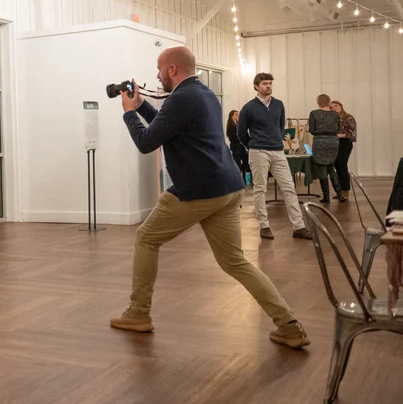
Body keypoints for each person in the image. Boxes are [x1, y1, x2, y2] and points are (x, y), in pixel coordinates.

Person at [112, 47, 309, 349]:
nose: (156, 75)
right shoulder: (203, 94)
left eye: (159, 69)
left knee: (146, 239)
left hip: (198, 190)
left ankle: (139, 313)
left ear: (173, 70)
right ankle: (289, 325)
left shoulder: (181, 98)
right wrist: (140, 105)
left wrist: (128, 113)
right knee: (235, 261)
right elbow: (170, 124)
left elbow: (147, 141)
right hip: (227, 188)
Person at [237, 73, 312, 241]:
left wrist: (277, 141)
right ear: (256, 86)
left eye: (270, 83)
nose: (268, 86)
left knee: (289, 188)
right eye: (264, 83)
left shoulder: (278, 105)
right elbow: (241, 132)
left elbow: (280, 126)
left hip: (277, 151)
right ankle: (264, 226)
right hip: (258, 151)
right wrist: (253, 144)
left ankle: (299, 226)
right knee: (260, 189)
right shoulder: (248, 108)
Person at [308, 94, 347, 204]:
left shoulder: (314, 113)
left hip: (320, 142)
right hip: (333, 141)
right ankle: (339, 194)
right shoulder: (335, 115)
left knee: (322, 168)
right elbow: (338, 128)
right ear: (329, 102)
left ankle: (326, 196)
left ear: (318, 102)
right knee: (330, 166)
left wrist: (320, 132)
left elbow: (311, 130)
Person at [330, 100, 356, 200]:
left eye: (336, 106)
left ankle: (345, 191)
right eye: (331, 107)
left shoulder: (348, 117)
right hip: (335, 144)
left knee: (342, 166)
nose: (334, 108)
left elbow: (352, 134)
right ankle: (339, 191)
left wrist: (338, 135)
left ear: (341, 106)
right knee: (336, 166)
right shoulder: (333, 119)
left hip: (345, 144)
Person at [226, 110, 249, 185]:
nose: (238, 116)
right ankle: (238, 181)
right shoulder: (231, 125)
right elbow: (233, 137)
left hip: (241, 145)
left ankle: (244, 179)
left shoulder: (238, 124)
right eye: (236, 114)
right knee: (237, 163)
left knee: (246, 161)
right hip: (235, 146)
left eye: (238, 114)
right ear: (232, 116)